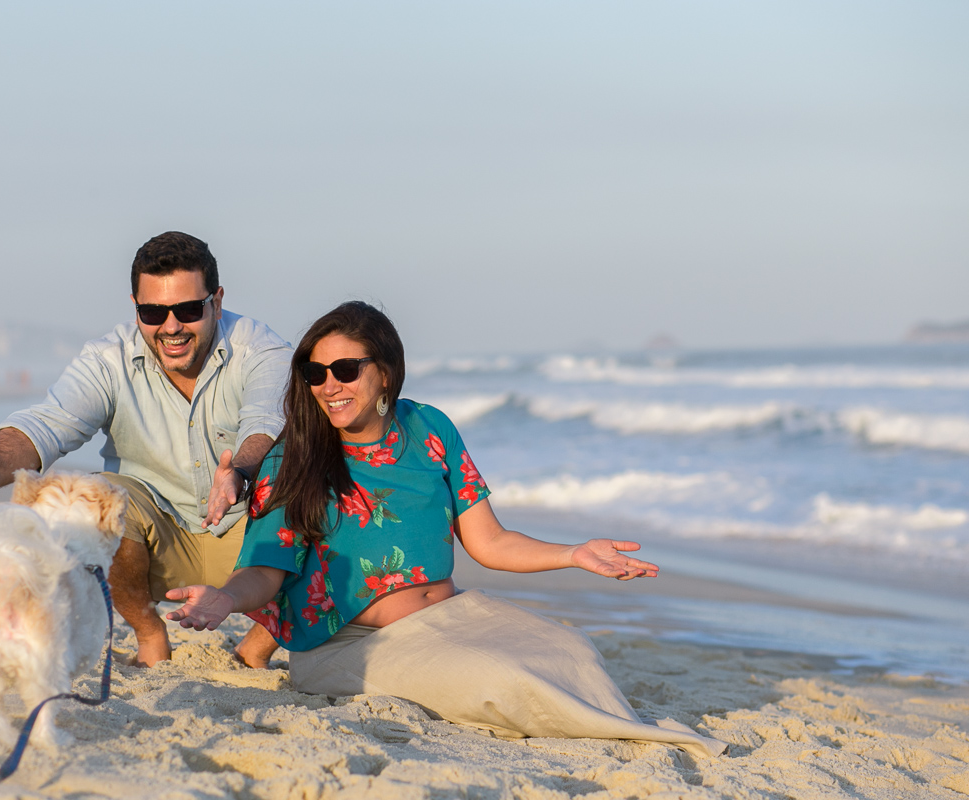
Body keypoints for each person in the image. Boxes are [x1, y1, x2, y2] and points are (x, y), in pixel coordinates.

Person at [163, 301, 727, 758]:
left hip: (456, 616)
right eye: (315, 372)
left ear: (385, 371)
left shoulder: (429, 427)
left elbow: (489, 542)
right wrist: (225, 599)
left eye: (345, 370)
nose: (329, 385)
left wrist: (574, 553)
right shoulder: (298, 456)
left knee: (571, 651)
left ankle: (615, 722)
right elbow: (266, 568)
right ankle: (640, 737)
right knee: (501, 678)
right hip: (355, 645)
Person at [0, 232, 291, 668]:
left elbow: (266, 422)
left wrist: (240, 472)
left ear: (217, 302)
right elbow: (48, 424)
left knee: (322, 495)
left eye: (189, 310)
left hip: (251, 540)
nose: (171, 326)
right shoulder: (108, 359)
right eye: (154, 312)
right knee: (90, 501)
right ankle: (150, 635)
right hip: (156, 538)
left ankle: (259, 644)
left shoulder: (261, 349)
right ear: (135, 306)